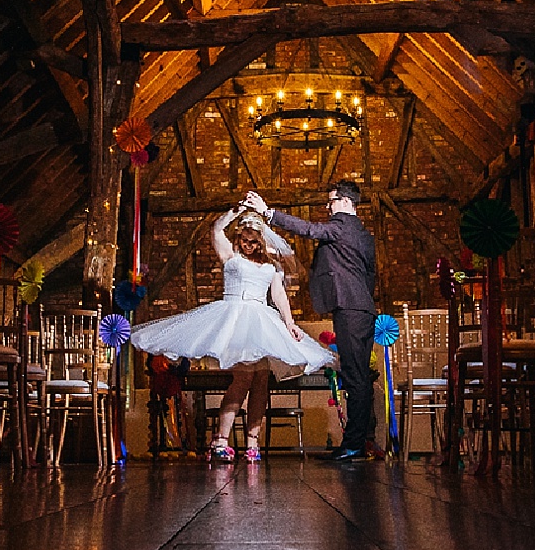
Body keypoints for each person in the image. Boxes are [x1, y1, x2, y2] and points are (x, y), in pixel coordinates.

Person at [127, 205, 333, 464]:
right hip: (235, 319)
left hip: (261, 320)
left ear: (260, 240)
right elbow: (216, 229)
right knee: (243, 380)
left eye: (252, 241)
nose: (247, 244)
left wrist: (289, 323)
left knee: (260, 381)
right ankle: (221, 440)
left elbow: (278, 294)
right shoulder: (230, 255)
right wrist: (234, 212)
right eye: (243, 239)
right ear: (238, 238)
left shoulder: (270, 264)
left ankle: (252, 442)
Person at [245, 180, 377, 462]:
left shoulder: (343, 225)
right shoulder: (364, 234)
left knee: (355, 377)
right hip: (361, 307)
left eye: (330, 202)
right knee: (359, 376)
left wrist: (268, 212)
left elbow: (309, 230)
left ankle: (354, 444)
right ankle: (361, 440)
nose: (328, 207)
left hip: (352, 308)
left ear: (344, 202)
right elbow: (370, 275)